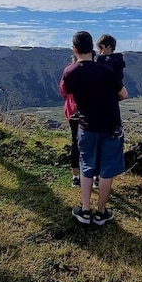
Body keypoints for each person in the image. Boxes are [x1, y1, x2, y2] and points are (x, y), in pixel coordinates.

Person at [61, 31, 128, 226]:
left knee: (86, 166)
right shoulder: (106, 70)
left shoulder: (70, 72)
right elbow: (124, 94)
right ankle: (100, 213)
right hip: (110, 125)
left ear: (74, 49)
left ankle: (84, 210)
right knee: (106, 171)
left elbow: (67, 92)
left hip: (87, 125)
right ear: (92, 47)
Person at [59, 55, 82, 187]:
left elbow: (63, 90)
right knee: (93, 142)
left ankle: (76, 177)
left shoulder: (68, 72)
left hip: (72, 110)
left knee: (75, 141)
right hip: (89, 111)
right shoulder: (92, 71)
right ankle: (95, 177)